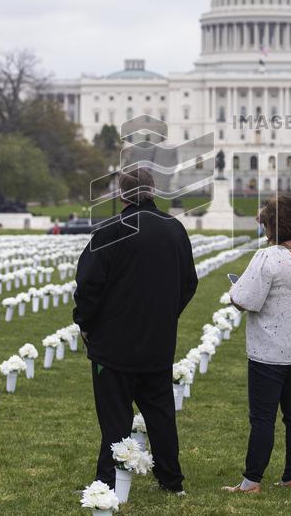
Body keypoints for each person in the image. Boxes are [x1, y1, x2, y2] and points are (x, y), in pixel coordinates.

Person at [73, 167, 198, 495]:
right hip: (157, 343)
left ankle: (108, 483)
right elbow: (188, 284)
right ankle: (172, 481)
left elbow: (88, 286)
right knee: (160, 416)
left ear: (121, 195)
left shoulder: (111, 230)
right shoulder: (175, 230)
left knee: (114, 420)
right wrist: (166, 316)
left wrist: (86, 323)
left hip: (113, 347)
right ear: (153, 192)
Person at [224, 195, 291, 494]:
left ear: (273, 225)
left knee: (263, 418)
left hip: (269, 351)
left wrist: (234, 289)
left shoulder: (268, 257)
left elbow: (245, 300)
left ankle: (252, 481)